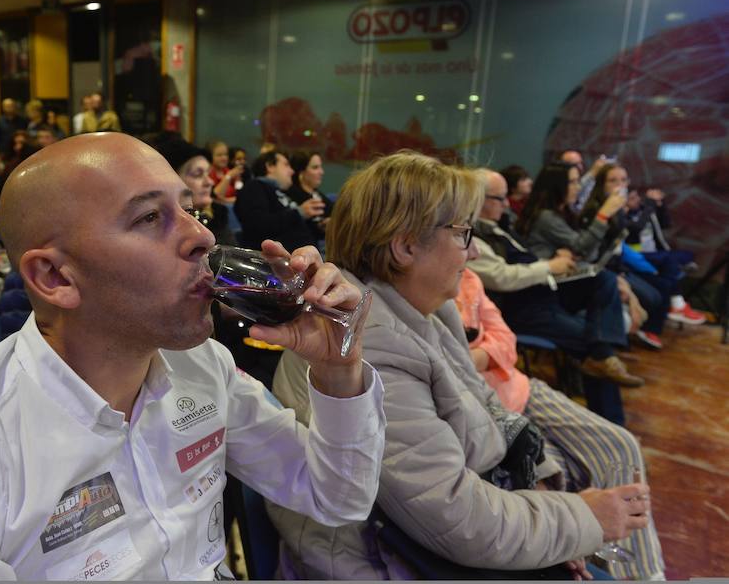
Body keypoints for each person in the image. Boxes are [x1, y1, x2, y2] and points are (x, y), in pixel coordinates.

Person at [0, 132, 386, 580]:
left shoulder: (203, 367)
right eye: (150, 218)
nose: (201, 236)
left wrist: (338, 370)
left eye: (191, 209)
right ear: (55, 277)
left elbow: (336, 497)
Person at [267, 151, 652, 580]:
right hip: (387, 563)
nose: (470, 253)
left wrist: (540, 491)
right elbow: (459, 519)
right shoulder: (365, 342)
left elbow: (486, 403)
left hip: (436, 543)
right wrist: (583, 519)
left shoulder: (425, 310)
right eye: (462, 233)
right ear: (406, 245)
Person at [454, 267, 664, 578]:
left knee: (621, 444)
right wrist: (551, 264)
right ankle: (600, 564)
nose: (470, 251)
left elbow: (507, 341)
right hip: (488, 412)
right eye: (460, 234)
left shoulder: (466, 277)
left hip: (517, 387)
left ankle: (644, 574)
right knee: (561, 475)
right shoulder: (413, 302)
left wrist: (473, 358)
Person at [473, 169, 644, 388]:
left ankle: (603, 363)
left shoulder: (501, 225)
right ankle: (608, 403)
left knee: (606, 282)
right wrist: (602, 216)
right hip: (524, 307)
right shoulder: (477, 234)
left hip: (544, 292)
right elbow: (502, 276)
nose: (579, 186)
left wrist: (553, 259)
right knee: (599, 339)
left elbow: (538, 255)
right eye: (572, 182)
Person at [579, 164, 704, 340]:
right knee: (655, 288)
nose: (619, 185)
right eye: (613, 180)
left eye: (623, 180)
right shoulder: (597, 209)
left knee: (661, 285)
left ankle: (661, 318)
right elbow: (590, 250)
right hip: (601, 270)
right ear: (601, 184)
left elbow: (665, 224)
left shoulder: (620, 211)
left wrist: (658, 207)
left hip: (619, 264)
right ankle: (634, 328)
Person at [234, 150, 323, 251]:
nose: (292, 171)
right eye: (286, 165)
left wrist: (321, 226)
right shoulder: (254, 187)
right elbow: (257, 225)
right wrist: (299, 213)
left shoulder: (282, 192)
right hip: (283, 260)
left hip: (308, 254)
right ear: (270, 166)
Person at [154, 134, 235, 246]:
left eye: (208, 173)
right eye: (198, 174)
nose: (209, 182)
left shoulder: (218, 214)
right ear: (173, 179)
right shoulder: (160, 225)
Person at [288, 151, 334, 251]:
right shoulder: (290, 195)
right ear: (301, 172)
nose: (321, 172)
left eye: (320, 167)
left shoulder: (318, 195)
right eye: (315, 167)